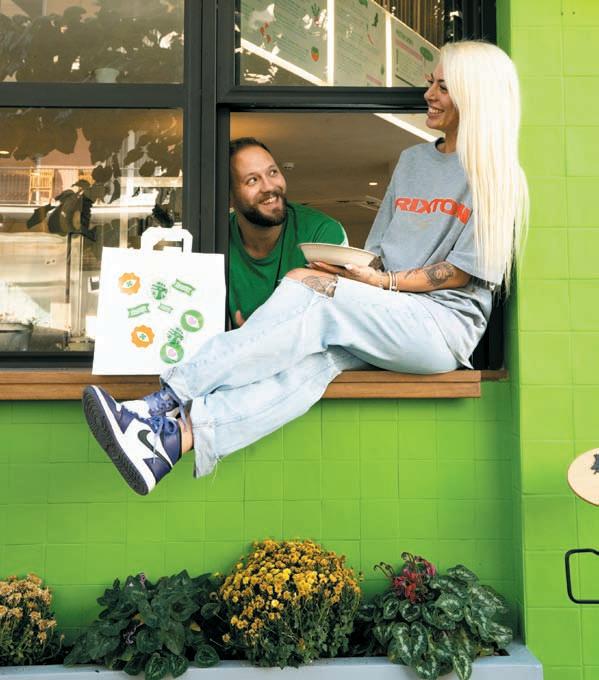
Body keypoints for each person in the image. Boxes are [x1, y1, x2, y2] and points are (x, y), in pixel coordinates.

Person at [82, 40, 528, 496]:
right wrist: (350, 271)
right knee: (314, 361)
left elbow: (461, 273)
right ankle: (173, 441)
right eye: (430, 82)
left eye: (443, 87)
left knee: (303, 284)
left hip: (442, 328)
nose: (428, 94)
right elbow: (378, 252)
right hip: (387, 310)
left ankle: (161, 400)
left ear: (474, 95)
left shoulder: (497, 175)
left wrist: (379, 281)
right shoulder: (412, 161)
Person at [228, 137, 347, 327]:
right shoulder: (214, 237)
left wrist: (258, 332)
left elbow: (330, 319)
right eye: (252, 180)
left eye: (272, 172)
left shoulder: (321, 231)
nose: (269, 186)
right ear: (229, 197)